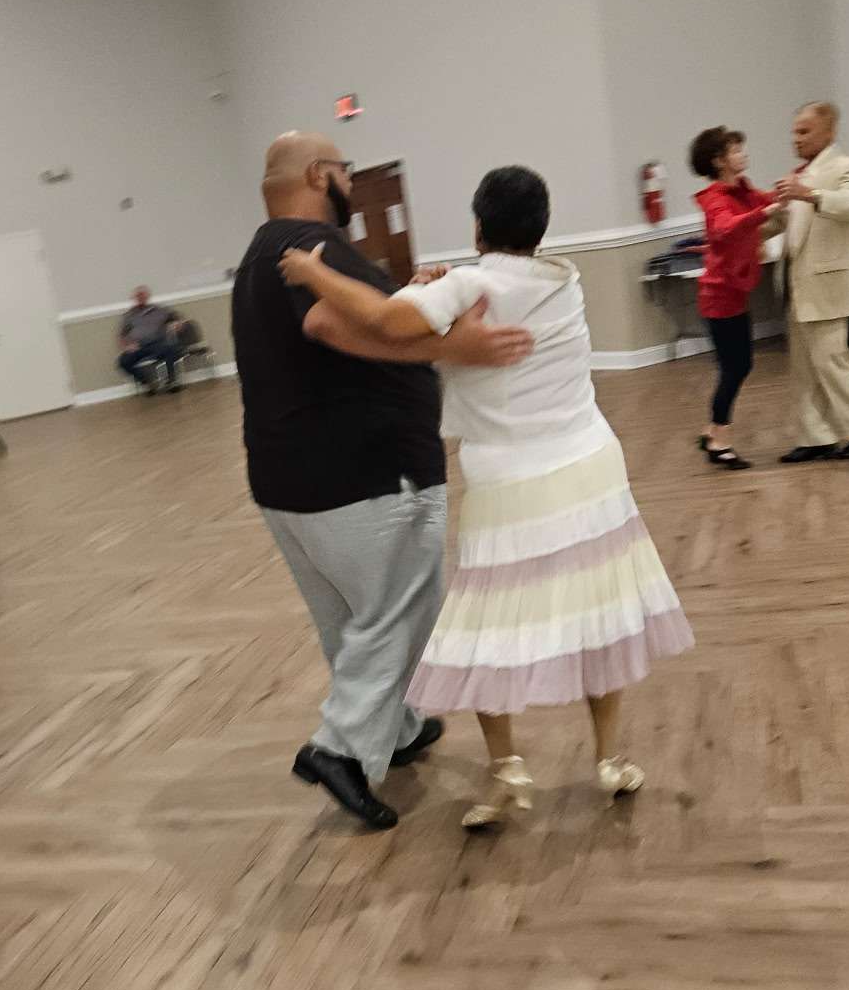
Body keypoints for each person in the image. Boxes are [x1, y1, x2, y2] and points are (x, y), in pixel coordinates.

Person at [280, 164, 692, 831]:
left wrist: (312, 271)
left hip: (511, 481)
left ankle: (507, 771)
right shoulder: (563, 279)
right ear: (540, 228)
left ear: (477, 226)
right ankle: (610, 758)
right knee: (600, 611)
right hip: (590, 464)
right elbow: (444, 309)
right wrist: (433, 292)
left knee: (486, 629)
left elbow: (382, 321)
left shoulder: (470, 285)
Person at [233, 129, 536, 831]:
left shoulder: (264, 252)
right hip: (365, 474)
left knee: (349, 619)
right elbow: (330, 325)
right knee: (398, 612)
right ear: (320, 174)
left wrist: (405, 296)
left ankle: (394, 729)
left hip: (290, 481)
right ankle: (339, 748)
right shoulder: (314, 244)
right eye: (344, 171)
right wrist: (454, 346)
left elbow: (344, 321)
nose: (349, 182)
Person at [775, 101, 849, 462]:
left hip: (826, 283)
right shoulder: (799, 176)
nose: (796, 138)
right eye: (794, 131)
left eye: (804, 131)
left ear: (829, 132)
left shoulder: (844, 166)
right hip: (798, 284)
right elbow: (787, 222)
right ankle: (816, 436)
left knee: (831, 359)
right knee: (804, 366)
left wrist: (809, 194)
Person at [688, 127, 784, 470]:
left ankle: (713, 431)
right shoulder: (715, 198)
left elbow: (764, 200)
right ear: (719, 161)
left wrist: (787, 193)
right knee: (735, 367)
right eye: (736, 151)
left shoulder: (741, 189)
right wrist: (766, 213)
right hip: (718, 297)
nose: (743, 155)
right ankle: (720, 440)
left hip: (733, 293)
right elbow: (725, 228)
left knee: (737, 366)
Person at [117, 289, 185, 394]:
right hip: (139, 347)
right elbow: (122, 335)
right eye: (138, 296)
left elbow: (176, 318)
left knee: (171, 348)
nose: (141, 298)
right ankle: (146, 383)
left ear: (147, 297)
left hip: (157, 344)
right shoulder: (129, 315)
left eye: (143, 295)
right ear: (135, 298)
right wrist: (127, 346)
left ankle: (171, 381)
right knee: (123, 361)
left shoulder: (159, 310)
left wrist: (177, 324)